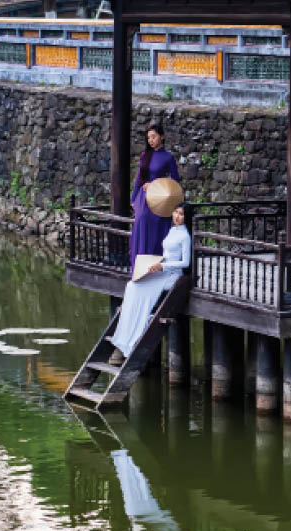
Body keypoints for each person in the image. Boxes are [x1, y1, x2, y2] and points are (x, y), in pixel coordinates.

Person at [110, 204, 190, 364]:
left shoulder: (185, 236)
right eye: (175, 212)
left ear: (186, 217)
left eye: (181, 214)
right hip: (162, 270)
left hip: (172, 275)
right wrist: (155, 263)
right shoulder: (172, 230)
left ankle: (138, 328)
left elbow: (185, 263)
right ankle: (129, 325)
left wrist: (163, 266)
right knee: (132, 285)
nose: (177, 216)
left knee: (139, 288)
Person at [129, 123, 180, 270]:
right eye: (148, 138)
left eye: (153, 136)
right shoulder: (145, 155)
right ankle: (138, 266)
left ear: (162, 136)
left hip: (159, 198)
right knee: (141, 221)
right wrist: (133, 199)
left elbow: (175, 181)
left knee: (157, 229)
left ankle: (155, 266)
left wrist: (155, 185)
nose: (150, 140)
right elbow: (139, 178)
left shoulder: (168, 158)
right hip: (143, 198)